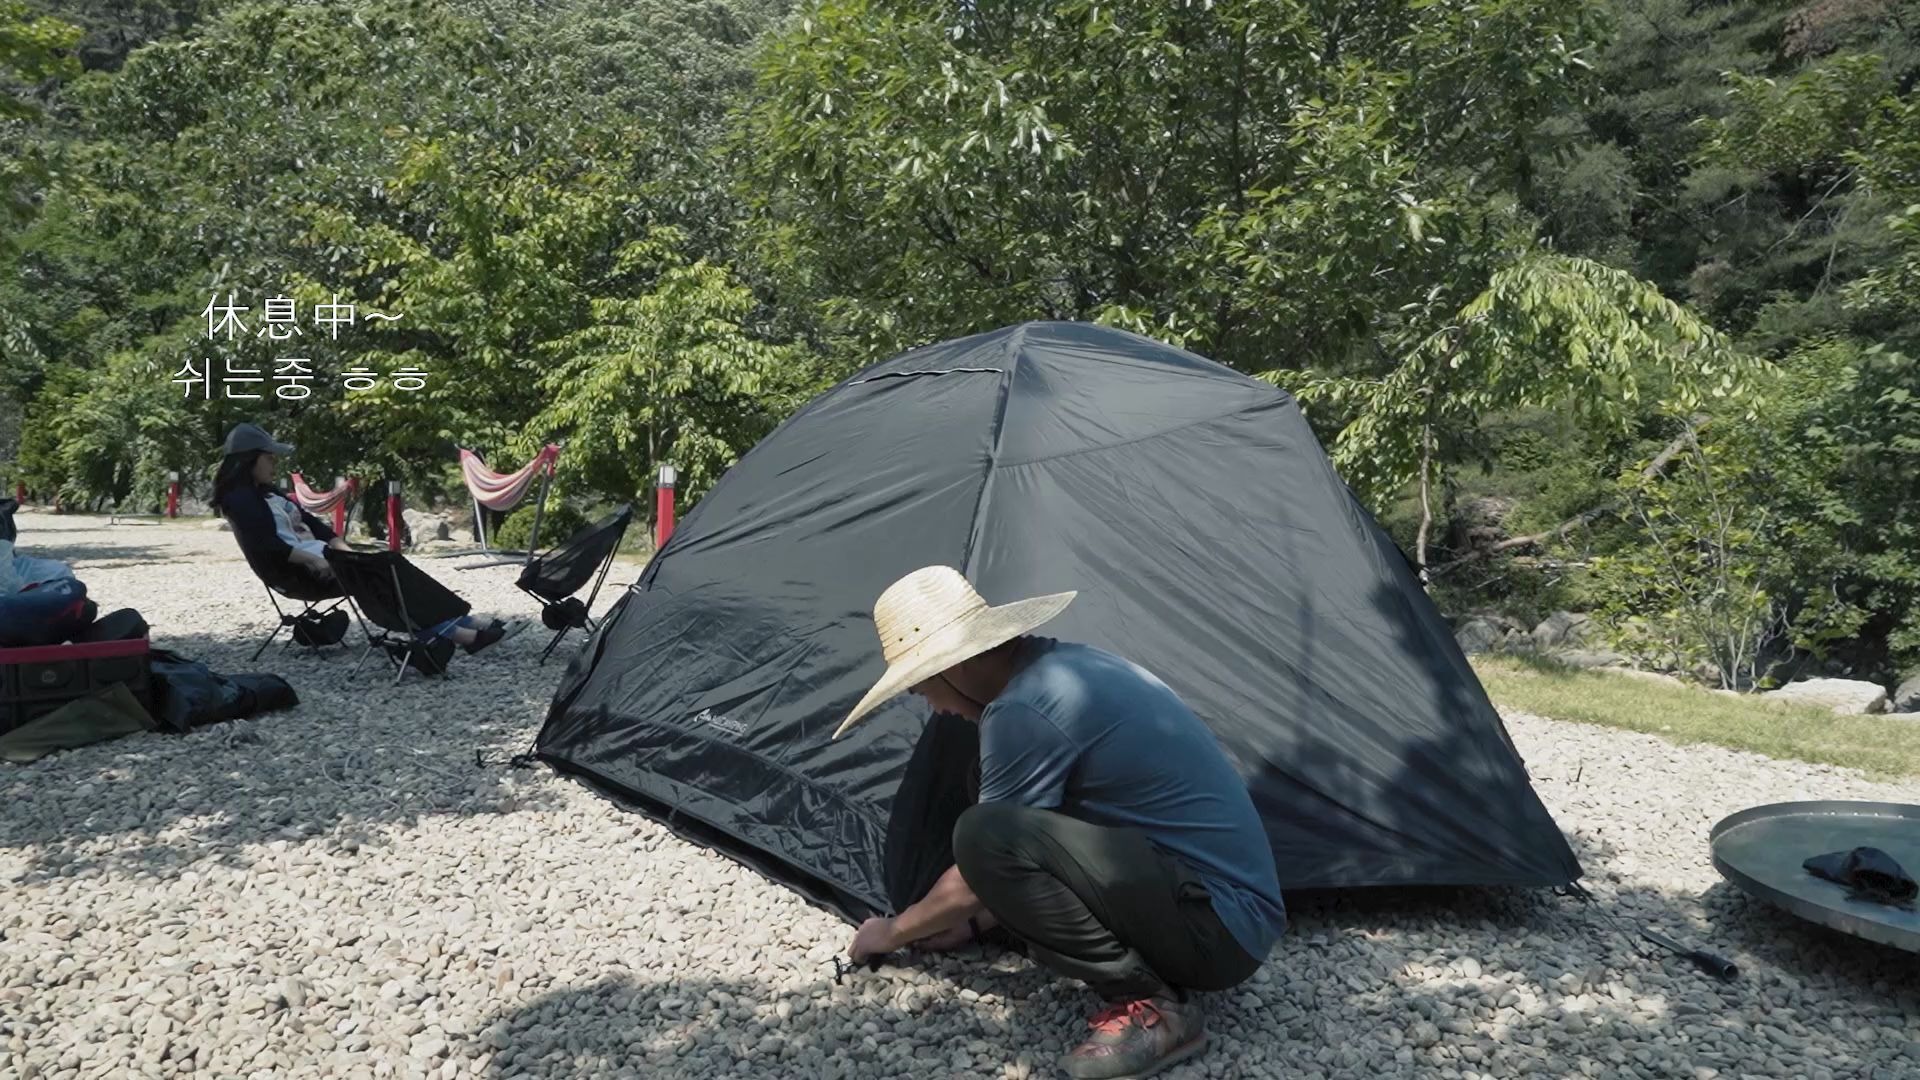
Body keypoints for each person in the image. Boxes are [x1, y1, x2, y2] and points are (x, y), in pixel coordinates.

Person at [836, 566, 1287, 1080]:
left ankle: (1153, 1008)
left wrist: (891, 932)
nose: (934, 709)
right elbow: (1058, 837)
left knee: (982, 834)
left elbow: (987, 858)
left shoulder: (1025, 710)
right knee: (987, 792)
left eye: (920, 690)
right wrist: (976, 921)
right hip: (1227, 914)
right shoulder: (1067, 667)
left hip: (1219, 931)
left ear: (952, 667)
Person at [212, 422, 507, 655]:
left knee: (390, 566)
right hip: (299, 572)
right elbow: (268, 547)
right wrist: (317, 560)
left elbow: (317, 526)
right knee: (383, 575)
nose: (273, 463)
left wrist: (345, 550)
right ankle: (460, 633)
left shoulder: (270, 492)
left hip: (326, 558)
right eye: (268, 457)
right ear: (248, 460)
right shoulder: (240, 500)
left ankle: (461, 622)